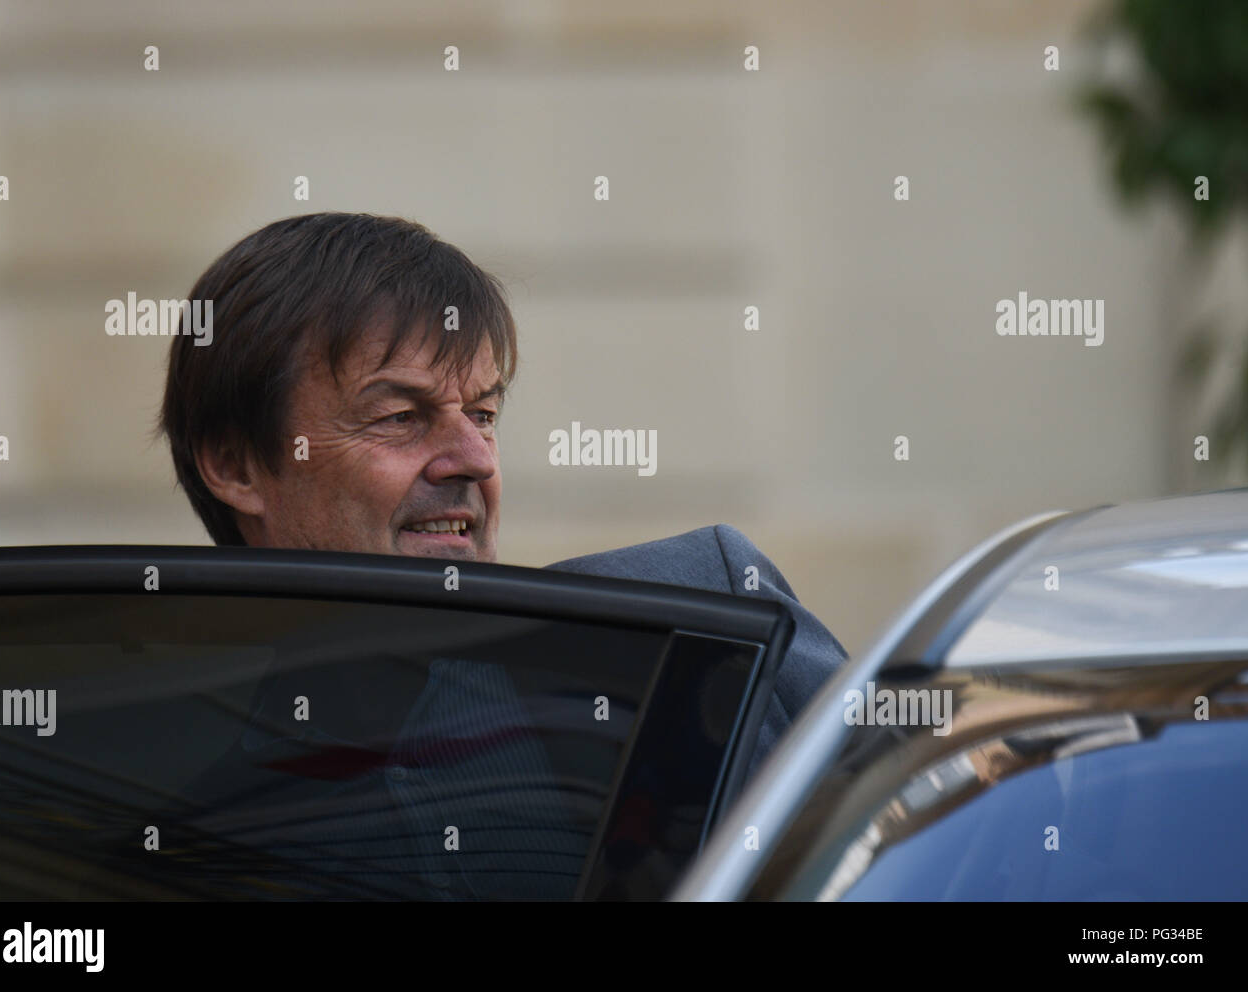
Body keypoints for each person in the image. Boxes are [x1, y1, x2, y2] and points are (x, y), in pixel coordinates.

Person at [159, 213, 847, 896]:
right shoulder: (191, 850)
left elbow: (928, 842)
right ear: (236, 465)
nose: (474, 459)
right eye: (400, 416)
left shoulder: (693, 621)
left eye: (484, 415)